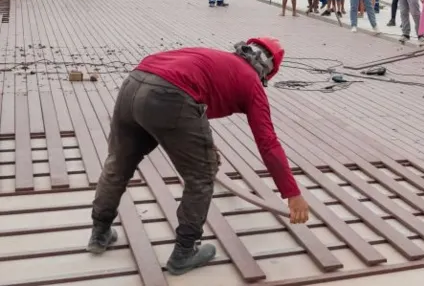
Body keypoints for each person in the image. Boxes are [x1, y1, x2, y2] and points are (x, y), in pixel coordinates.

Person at [86, 38, 310, 275]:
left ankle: (99, 233)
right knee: (202, 175)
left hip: (134, 82)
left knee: (118, 163)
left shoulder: (215, 59)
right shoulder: (251, 83)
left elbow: (194, 102)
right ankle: (185, 251)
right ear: (268, 72)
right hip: (169, 96)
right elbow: (268, 143)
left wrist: (205, 148)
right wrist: (292, 194)